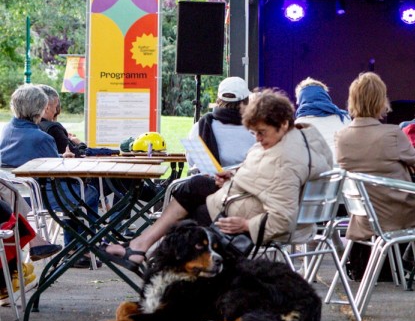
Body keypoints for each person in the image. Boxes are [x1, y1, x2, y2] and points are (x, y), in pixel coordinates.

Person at [104, 89, 333, 271]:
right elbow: (266, 177)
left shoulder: (288, 160)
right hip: (242, 202)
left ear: (283, 124)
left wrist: (245, 225)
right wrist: (235, 176)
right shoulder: (297, 141)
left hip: (245, 219)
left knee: (191, 212)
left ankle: (146, 254)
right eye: (254, 134)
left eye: (261, 133)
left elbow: (282, 219)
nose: (258, 140)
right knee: (194, 188)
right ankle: (145, 251)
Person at [334, 72, 415, 303]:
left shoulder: (341, 137)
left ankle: (413, 265)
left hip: (363, 216)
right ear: (381, 101)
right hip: (397, 213)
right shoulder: (392, 134)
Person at [0, 85, 94, 266]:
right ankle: (80, 249)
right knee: (87, 193)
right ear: (40, 109)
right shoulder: (41, 137)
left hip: (14, 193)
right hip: (40, 196)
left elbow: (29, 157)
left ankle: (75, 248)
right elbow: (57, 173)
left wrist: (59, 157)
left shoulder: (6, 131)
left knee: (79, 193)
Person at [188, 76, 254, 168]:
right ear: (246, 102)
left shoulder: (199, 127)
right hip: (246, 181)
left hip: (209, 181)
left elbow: (192, 162)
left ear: (218, 100)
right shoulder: (257, 130)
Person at [37, 84, 117, 157]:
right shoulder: (54, 128)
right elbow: (79, 154)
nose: (55, 111)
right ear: (47, 107)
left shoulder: (32, 126)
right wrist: (78, 142)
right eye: (55, 107)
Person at [294, 77, 351, 158]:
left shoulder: (297, 125)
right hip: (344, 167)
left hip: (316, 169)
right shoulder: (344, 117)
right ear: (325, 96)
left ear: (301, 100)